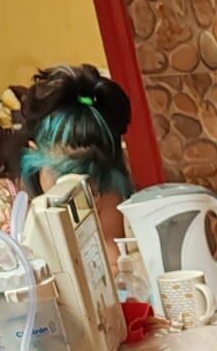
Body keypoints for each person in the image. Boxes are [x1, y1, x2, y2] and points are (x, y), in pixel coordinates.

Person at [20, 65, 133, 260]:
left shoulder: (106, 196)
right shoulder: (32, 206)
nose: (76, 195)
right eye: (61, 182)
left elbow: (113, 258)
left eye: (91, 186)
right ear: (34, 154)